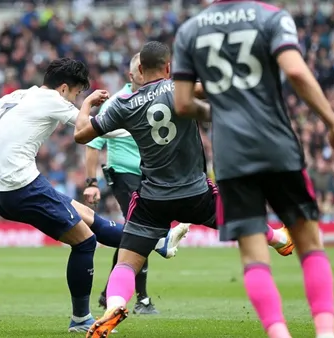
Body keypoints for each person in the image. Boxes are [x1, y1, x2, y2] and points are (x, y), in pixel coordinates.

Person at [0, 58, 189, 333]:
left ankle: (159, 241)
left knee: (88, 217)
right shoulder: (54, 101)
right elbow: (92, 129)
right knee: (85, 242)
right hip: (22, 187)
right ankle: (80, 319)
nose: (76, 99)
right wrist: (133, 123)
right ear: (64, 88)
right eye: (76, 93)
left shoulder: (14, 96)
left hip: (4, 191)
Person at [73, 41, 295, 338]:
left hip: (152, 199)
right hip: (195, 193)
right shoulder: (179, 88)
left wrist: (87, 104)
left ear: (139, 69)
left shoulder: (123, 105)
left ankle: (113, 307)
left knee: (126, 263)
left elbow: (80, 135)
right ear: (168, 67)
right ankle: (280, 239)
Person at [171, 2, 334, 338]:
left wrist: (221, 110)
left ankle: (278, 333)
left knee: (254, 258)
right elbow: (296, 72)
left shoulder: (190, 30)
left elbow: (182, 104)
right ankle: (326, 333)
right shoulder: (271, 16)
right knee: (310, 245)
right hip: (277, 146)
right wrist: (333, 123)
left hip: (232, 157)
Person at [84, 53, 161, 315]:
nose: (148, 73)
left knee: (134, 234)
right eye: (143, 69)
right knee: (141, 230)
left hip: (150, 176)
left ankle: (110, 293)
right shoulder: (117, 102)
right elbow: (93, 143)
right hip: (124, 174)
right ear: (133, 75)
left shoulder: (159, 98)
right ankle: (142, 299)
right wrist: (92, 181)